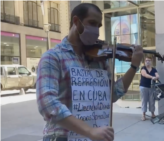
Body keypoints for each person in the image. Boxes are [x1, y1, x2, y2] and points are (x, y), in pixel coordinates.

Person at [36, 3, 143, 141]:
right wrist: (89, 131)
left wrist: (134, 66)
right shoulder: (53, 57)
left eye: (98, 26)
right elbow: (47, 103)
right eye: (92, 23)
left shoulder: (100, 60)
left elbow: (113, 95)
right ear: (76, 21)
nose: (96, 31)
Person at [139, 56, 159, 121]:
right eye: (146, 60)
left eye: (149, 60)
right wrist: (152, 77)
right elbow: (144, 74)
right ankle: (143, 115)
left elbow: (157, 75)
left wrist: (157, 77)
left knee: (152, 101)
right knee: (144, 101)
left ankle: (152, 114)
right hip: (144, 87)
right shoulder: (143, 68)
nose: (147, 62)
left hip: (151, 87)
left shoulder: (154, 69)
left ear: (151, 62)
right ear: (145, 62)